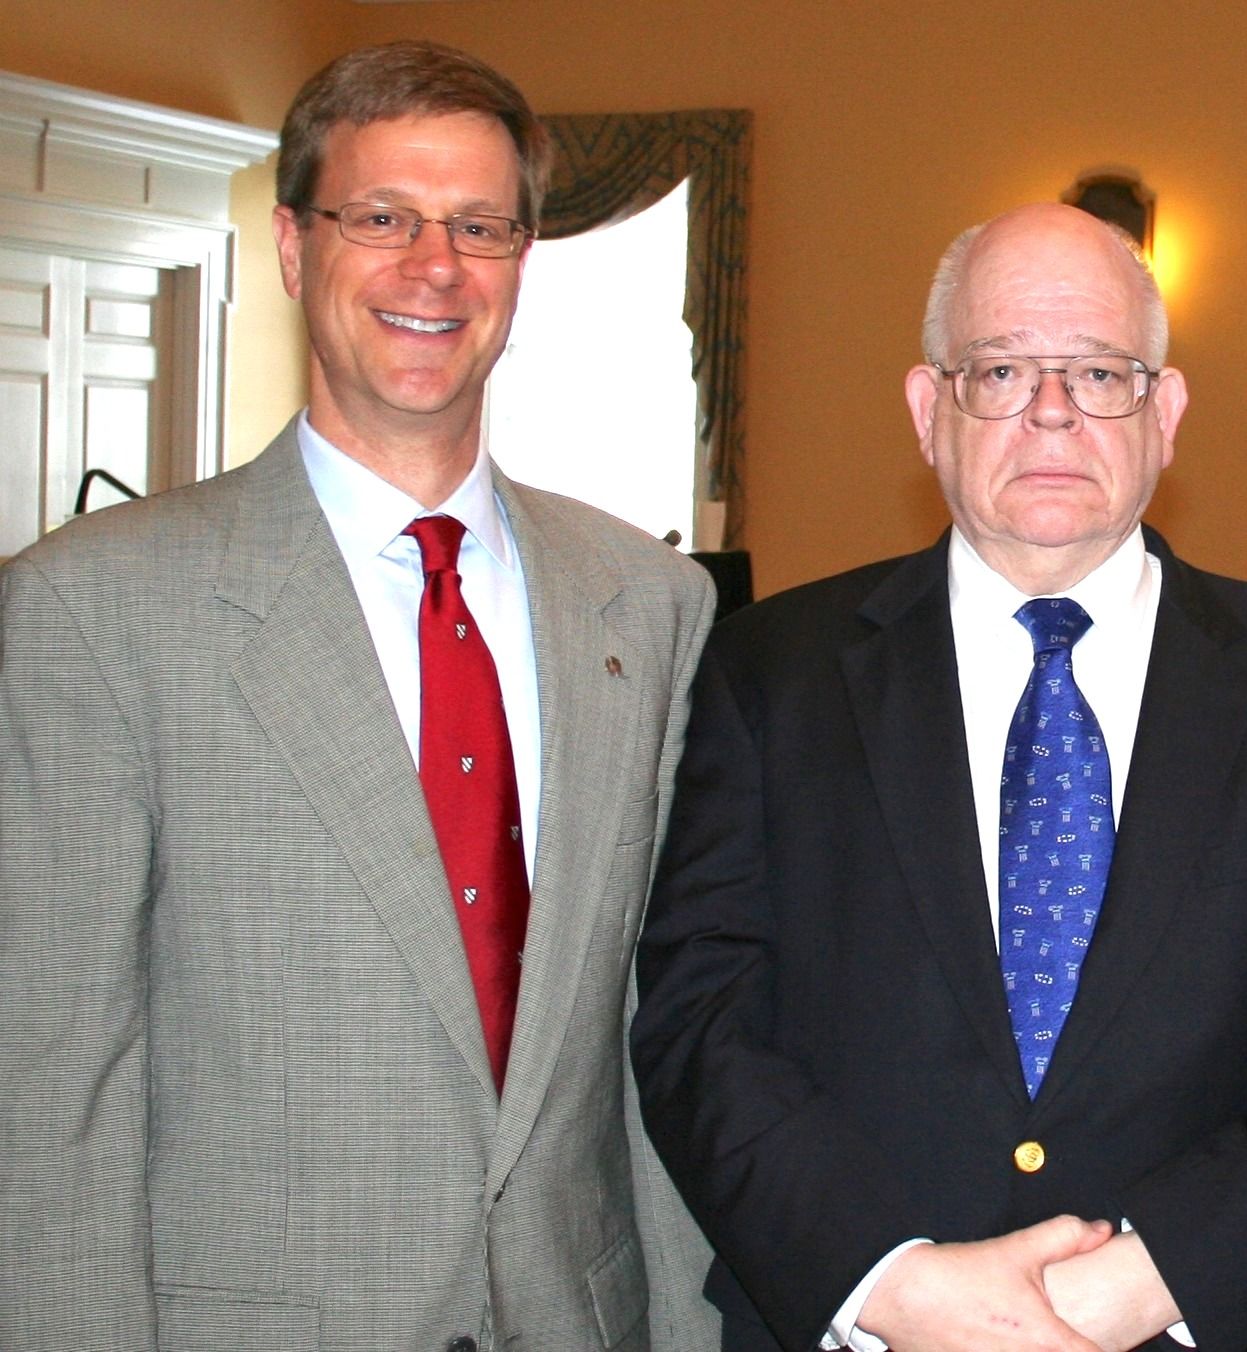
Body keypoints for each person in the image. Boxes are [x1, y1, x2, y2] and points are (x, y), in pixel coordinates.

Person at [631, 202, 1247, 1352]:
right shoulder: (771, 672)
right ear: (930, 411)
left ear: (1165, 412)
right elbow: (697, 1017)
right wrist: (891, 1283)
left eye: (1101, 372)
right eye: (1003, 368)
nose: (1054, 411)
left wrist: (1156, 1273)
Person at [0, 41, 719, 1351]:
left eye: (479, 226)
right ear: (290, 248)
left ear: (519, 261)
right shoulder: (94, 611)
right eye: (381, 217)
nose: (431, 266)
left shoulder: (650, 605)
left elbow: (645, 1039)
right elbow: (49, 1099)